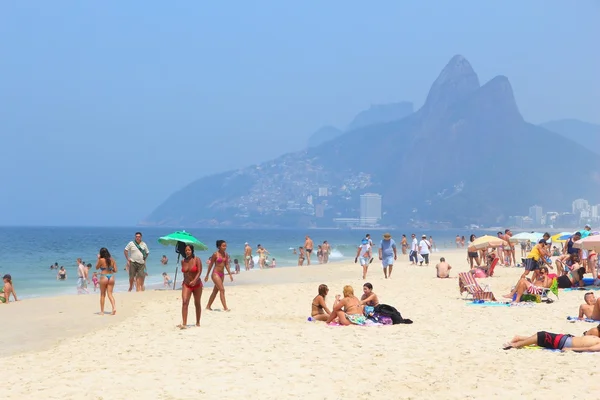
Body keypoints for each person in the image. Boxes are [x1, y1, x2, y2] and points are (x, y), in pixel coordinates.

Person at [204, 240, 233, 311]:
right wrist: (207, 275)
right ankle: (225, 307)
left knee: (215, 291)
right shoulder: (215, 254)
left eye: (225, 246)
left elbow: (226, 264)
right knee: (222, 290)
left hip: (222, 274)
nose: (225, 247)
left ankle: (208, 306)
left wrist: (230, 274)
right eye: (223, 246)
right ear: (219, 246)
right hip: (215, 274)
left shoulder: (226, 254)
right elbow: (210, 265)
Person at [179, 244, 203, 329]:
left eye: (189, 250)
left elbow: (199, 271)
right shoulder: (183, 261)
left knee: (197, 303)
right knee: (185, 302)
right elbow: (185, 273)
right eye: (186, 250)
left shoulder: (197, 259)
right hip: (186, 284)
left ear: (192, 250)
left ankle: (198, 322)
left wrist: (194, 280)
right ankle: (184, 323)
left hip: (197, 285)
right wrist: (187, 281)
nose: (187, 252)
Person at [503, 331, 600, 352]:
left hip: (564, 343)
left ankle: (516, 344)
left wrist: (571, 349)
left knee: (542, 335)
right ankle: (520, 338)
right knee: (542, 338)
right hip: (566, 339)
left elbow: (590, 348)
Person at [95, 247, 117, 315]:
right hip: (111, 277)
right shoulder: (112, 260)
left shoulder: (101, 260)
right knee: (110, 294)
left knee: (102, 294)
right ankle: (114, 308)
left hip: (104, 277)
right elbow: (115, 270)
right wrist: (110, 268)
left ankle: (102, 311)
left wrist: (98, 258)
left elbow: (97, 267)